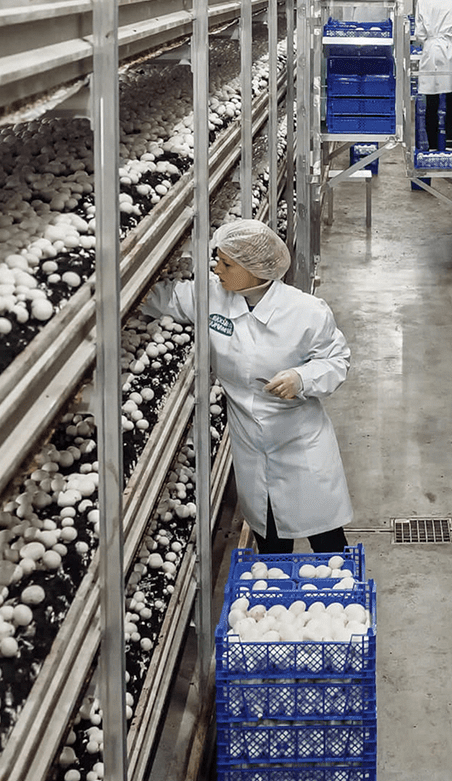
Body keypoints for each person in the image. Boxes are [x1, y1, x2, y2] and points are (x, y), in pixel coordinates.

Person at [143, 220, 353, 553]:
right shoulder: (212, 296)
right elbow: (159, 299)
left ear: (255, 271)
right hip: (251, 447)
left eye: (226, 264)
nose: (216, 268)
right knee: (270, 545)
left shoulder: (307, 312)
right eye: (218, 260)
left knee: (326, 543)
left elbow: (337, 361)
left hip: (299, 442)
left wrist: (302, 378)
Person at [414, 0, 452, 151]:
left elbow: (420, 33)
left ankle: (432, 146)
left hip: (432, 49)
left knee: (431, 100)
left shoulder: (424, 1)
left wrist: (428, 40)